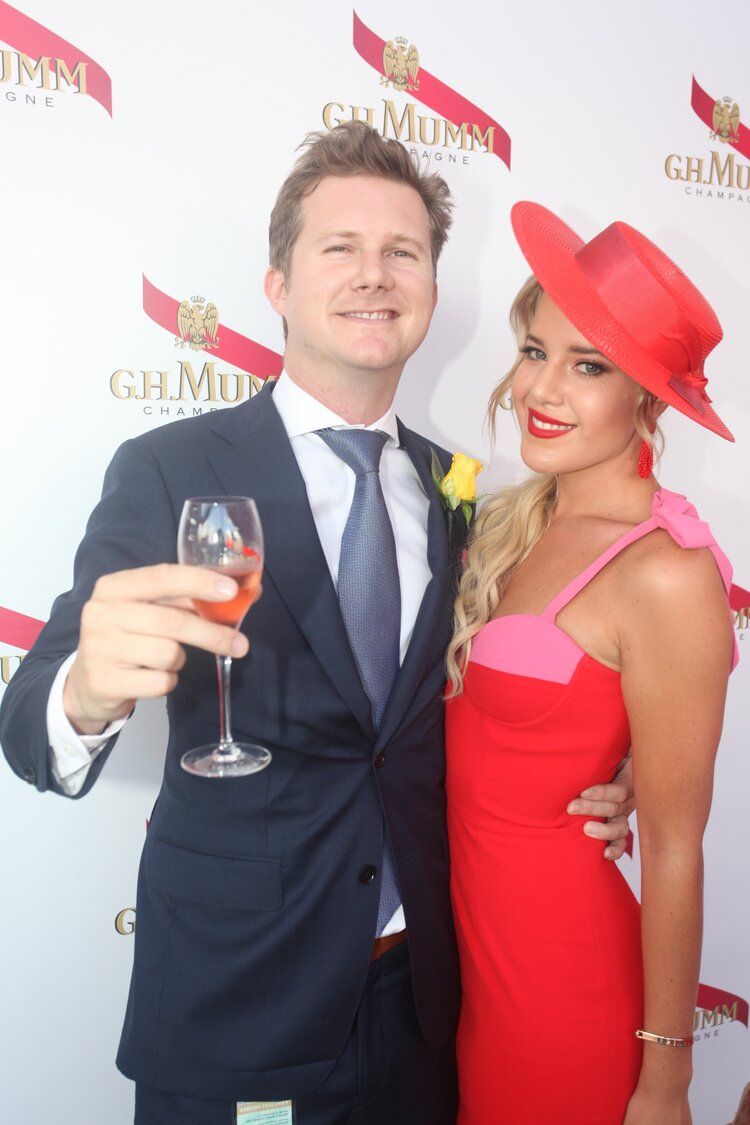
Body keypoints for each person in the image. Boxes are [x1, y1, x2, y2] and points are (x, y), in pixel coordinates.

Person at [1, 131, 631, 1124]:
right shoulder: (171, 469)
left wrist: (605, 768)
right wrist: (83, 691)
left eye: (405, 252)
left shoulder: (462, 492)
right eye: (340, 248)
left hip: (429, 1013)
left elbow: (490, 699)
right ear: (278, 284)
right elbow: (33, 726)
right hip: (237, 1010)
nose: (375, 276)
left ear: (430, 288)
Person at [445, 201, 739, 1124]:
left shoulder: (667, 571)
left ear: (648, 396)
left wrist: (665, 1080)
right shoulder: (510, 522)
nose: (544, 390)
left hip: (569, 1000)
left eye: (590, 366)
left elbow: (678, 846)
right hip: (475, 991)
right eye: (536, 351)